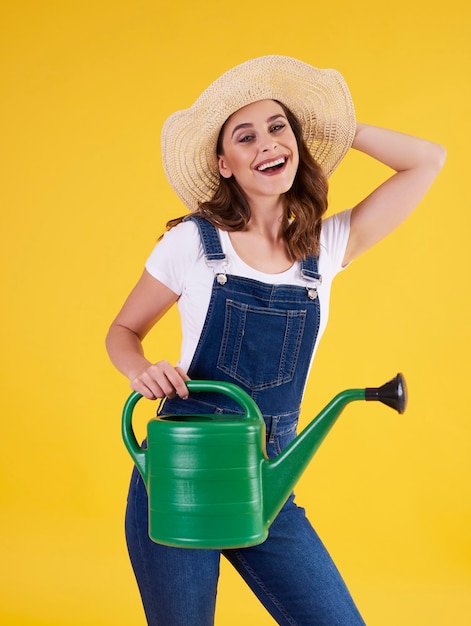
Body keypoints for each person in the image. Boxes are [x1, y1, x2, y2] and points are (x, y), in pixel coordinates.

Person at [106, 55, 445, 626]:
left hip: (267, 478)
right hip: (180, 475)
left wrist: (336, 129)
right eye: (246, 136)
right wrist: (139, 368)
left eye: (278, 127)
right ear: (225, 164)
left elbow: (427, 161)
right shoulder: (193, 243)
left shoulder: (326, 249)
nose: (267, 143)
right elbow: (122, 332)